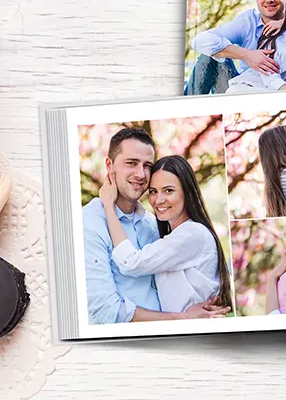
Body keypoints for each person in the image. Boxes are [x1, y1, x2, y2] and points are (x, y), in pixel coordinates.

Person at [82, 128, 230, 324]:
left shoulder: (154, 225)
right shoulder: (89, 224)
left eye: (147, 165)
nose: (140, 174)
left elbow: (133, 263)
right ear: (109, 165)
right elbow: (106, 310)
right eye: (131, 163)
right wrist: (182, 319)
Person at [186, 0, 286, 94]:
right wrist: (247, 55)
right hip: (242, 89)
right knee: (209, 55)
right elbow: (199, 41)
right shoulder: (248, 22)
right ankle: (185, 109)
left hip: (280, 89)